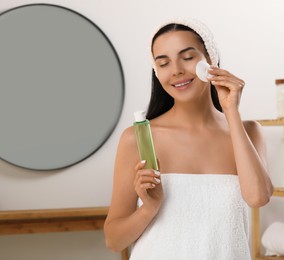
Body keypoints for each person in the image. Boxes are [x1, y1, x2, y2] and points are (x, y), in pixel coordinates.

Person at [104, 17, 273, 260]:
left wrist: (231, 112)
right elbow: (113, 240)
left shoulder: (248, 132)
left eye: (188, 57)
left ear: (210, 60)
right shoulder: (138, 138)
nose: (176, 71)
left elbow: (258, 197)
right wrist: (148, 209)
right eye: (163, 63)